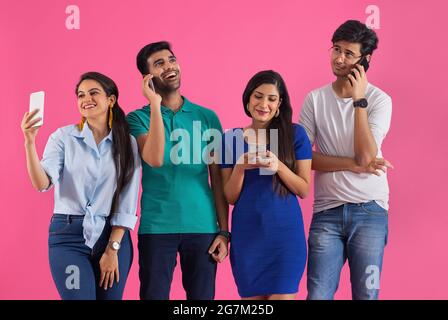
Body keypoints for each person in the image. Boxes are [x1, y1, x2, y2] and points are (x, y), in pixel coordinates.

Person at [21, 72, 141, 299]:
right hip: (68, 237)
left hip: (112, 236)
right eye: (81, 95)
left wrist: (112, 249)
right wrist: (29, 142)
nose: (86, 99)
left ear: (111, 100)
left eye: (94, 93)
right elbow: (42, 183)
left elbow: (128, 200)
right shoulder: (63, 137)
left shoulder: (127, 142)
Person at [127, 41, 229, 300]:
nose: (169, 66)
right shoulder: (137, 119)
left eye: (171, 60)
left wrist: (224, 231)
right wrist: (154, 104)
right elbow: (154, 159)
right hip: (157, 227)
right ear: (147, 77)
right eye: (159, 64)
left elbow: (217, 178)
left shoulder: (207, 117)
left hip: (203, 226)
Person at [299, 20, 393, 300]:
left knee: (366, 294)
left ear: (365, 59)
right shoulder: (314, 100)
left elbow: (366, 154)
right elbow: (304, 159)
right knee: (317, 294)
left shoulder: (379, 100)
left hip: (370, 212)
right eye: (336, 49)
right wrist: (355, 164)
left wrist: (358, 99)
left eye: (349, 54)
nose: (339, 58)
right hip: (327, 212)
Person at [220, 70, 312, 300]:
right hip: (247, 239)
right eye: (258, 96)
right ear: (248, 99)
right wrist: (240, 166)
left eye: (272, 99)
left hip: (285, 240)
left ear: (279, 103)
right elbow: (230, 197)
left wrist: (279, 166)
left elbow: (303, 189)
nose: (264, 104)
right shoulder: (230, 139)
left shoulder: (295, 135)